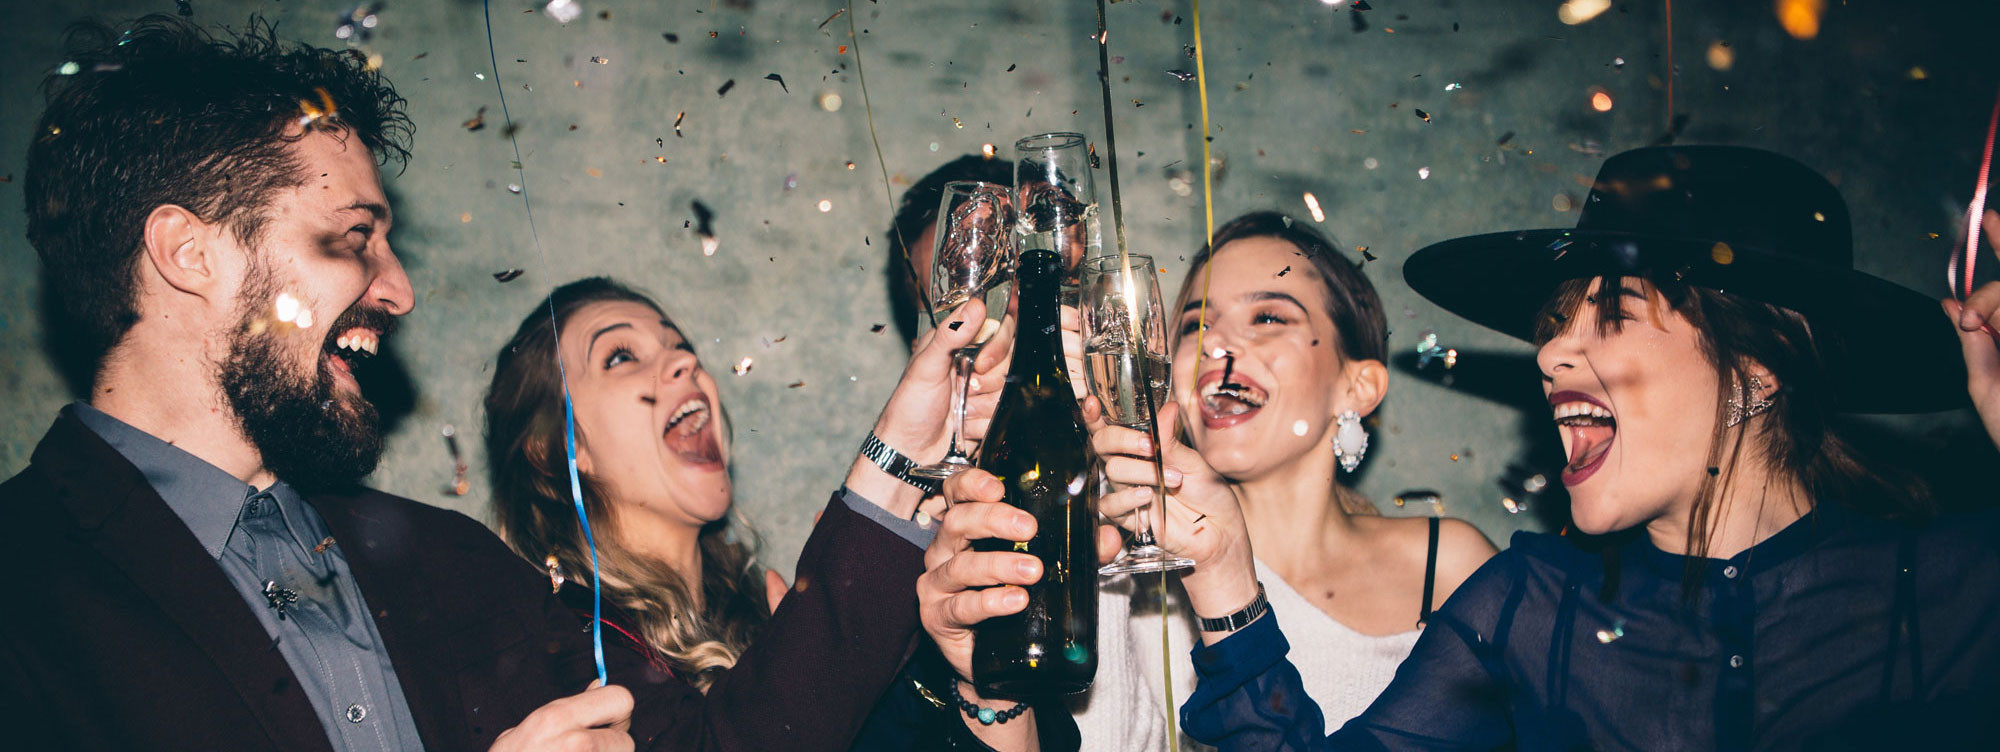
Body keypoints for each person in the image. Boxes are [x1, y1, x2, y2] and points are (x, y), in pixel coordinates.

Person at [0, 15, 1009, 752]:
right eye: (351, 240)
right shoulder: (27, 589)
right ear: (190, 252)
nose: (395, 290)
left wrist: (897, 460)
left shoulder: (441, 566)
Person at [1107, 146, 2000, 749]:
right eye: (1554, 322)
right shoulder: (1532, 608)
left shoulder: (1951, 590)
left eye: (1608, 315)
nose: (1551, 353)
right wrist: (1225, 577)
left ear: (1755, 371)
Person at [482, 277, 1078, 750]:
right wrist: (895, 464)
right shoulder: (553, 651)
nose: (685, 363)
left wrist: (979, 668)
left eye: (679, 346)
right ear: (555, 448)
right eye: (619, 357)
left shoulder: (779, 621)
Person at [1067, 212, 1497, 750]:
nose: (1216, 345)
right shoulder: (1135, 572)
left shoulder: (1451, 566)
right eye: (1196, 325)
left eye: (1269, 317)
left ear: (1357, 386)